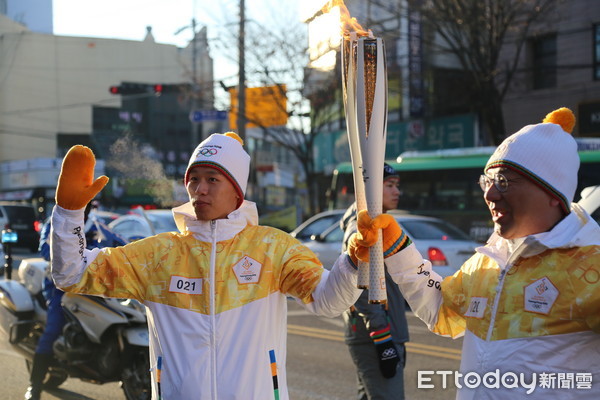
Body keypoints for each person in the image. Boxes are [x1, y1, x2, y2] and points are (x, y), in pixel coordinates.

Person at [50, 132, 363, 400]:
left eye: (212, 180)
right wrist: (69, 214)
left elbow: (328, 300)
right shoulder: (159, 255)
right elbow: (73, 273)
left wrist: (352, 260)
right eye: (194, 179)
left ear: (237, 191)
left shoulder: (273, 249)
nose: (200, 189)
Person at [349, 107, 600, 399]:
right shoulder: (491, 259)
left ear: (553, 195)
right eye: (488, 181)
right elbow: (442, 311)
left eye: (504, 182)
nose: (490, 195)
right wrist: (397, 248)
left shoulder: (589, 266)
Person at [25, 203, 127, 400]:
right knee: (53, 329)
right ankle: (34, 386)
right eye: (82, 200)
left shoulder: (97, 226)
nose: (85, 205)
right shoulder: (56, 222)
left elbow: (124, 243)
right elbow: (46, 249)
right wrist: (79, 256)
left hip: (96, 285)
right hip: (62, 288)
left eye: (89, 201)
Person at [340, 163, 409, 400]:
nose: (396, 191)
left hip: (377, 332)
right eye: (389, 185)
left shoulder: (377, 223)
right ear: (368, 191)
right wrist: (383, 339)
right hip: (373, 335)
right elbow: (361, 287)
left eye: (397, 186)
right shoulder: (362, 229)